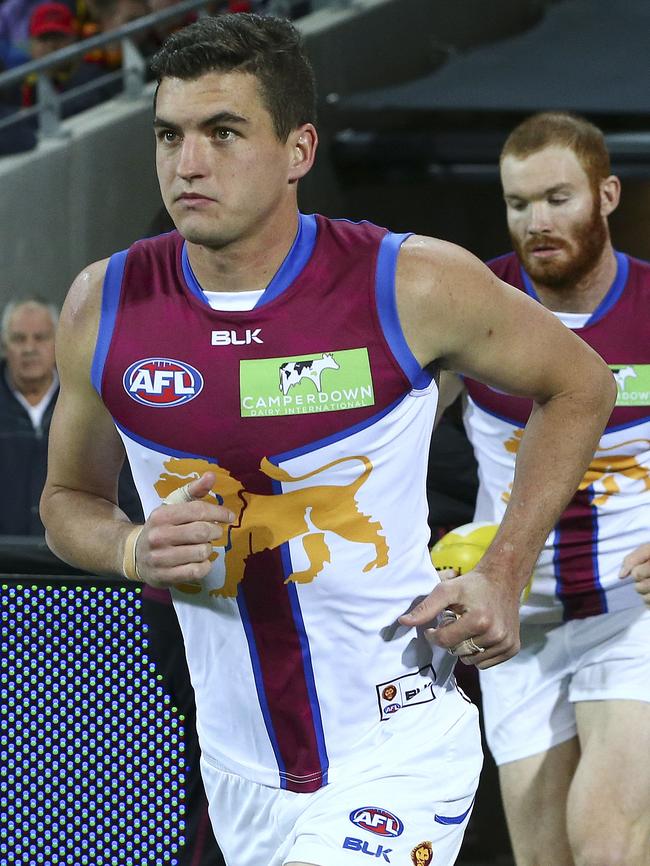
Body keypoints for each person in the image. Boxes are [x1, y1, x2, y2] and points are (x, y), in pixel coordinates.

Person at [40, 16, 615, 866]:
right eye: (170, 134)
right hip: (236, 771)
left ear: (299, 150)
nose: (187, 163)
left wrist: (504, 569)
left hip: (396, 751)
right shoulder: (104, 303)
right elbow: (64, 503)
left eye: (223, 133)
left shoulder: (410, 281)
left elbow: (582, 385)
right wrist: (130, 545)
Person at [438, 111, 650, 866]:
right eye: (517, 203)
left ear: (608, 194)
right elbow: (386, 433)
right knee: (542, 856)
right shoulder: (470, 305)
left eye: (558, 198)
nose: (537, 221)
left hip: (633, 613)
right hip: (516, 621)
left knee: (606, 842)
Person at [0, 298, 59, 534]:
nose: (29, 348)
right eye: (18, 339)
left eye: (40, 337)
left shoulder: (85, 403)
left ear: (58, 341)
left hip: (67, 563)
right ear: (5, 344)